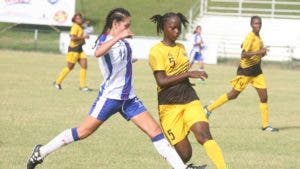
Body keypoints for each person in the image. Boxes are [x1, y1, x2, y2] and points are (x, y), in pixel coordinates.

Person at [27, 8, 203, 169]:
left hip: (129, 99)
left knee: (155, 132)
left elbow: (122, 60)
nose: (129, 28)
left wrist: (129, 57)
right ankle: (41, 152)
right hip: (110, 97)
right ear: (115, 24)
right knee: (83, 132)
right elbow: (98, 53)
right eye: (126, 25)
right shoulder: (104, 40)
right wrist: (119, 37)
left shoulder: (123, 42)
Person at [149, 12, 226, 169]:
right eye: (173, 28)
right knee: (185, 154)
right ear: (164, 27)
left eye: (179, 28)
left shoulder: (181, 47)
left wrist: (186, 80)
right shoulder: (156, 51)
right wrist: (189, 73)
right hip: (169, 107)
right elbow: (161, 81)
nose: (177, 31)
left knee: (204, 135)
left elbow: (178, 73)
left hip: (190, 99)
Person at [204, 16, 279, 132]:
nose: (258, 25)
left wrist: (263, 52)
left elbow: (253, 51)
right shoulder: (250, 36)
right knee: (233, 95)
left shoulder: (258, 37)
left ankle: (265, 125)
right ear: (251, 24)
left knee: (264, 97)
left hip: (257, 72)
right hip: (246, 72)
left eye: (259, 23)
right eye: (255, 23)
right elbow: (243, 54)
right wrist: (259, 51)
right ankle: (208, 108)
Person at [53, 12, 91, 91]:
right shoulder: (75, 27)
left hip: (79, 49)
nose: (80, 19)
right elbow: (72, 38)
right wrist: (83, 37)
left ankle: (82, 86)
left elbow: (85, 26)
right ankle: (57, 82)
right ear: (74, 20)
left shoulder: (80, 26)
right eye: (77, 18)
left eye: (80, 18)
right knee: (70, 67)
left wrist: (85, 33)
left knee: (84, 65)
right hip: (73, 50)